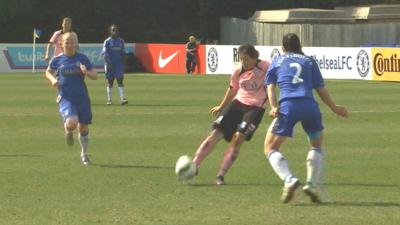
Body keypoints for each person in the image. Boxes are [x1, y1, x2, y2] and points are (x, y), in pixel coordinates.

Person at [264, 33, 348, 203]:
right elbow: (320, 89)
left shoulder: (277, 60)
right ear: (299, 45)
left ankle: (289, 180)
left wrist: (274, 107)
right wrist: (334, 107)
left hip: (289, 107)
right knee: (316, 145)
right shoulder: (309, 61)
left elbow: (270, 89)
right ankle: (311, 184)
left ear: (283, 48)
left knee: (270, 148)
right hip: (310, 107)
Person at [192, 44, 270, 185]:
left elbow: (277, 80)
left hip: (255, 108)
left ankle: (220, 175)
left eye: (246, 59)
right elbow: (233, 89)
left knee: (238, 138)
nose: (243, 62)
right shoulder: (237, 71)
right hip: (237, 104)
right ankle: (194, 164)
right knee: (215, 134)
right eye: (241, 59)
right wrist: (221, 106)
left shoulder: (265, 66)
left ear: (254, 57)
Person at [45, 32, 97, 165]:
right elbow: (48, 72)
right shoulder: (57, 59)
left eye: (72, 41)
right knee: (72, 123)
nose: (70, 44)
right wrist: (52, 80)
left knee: (83, 128)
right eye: (67, 42)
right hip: (66, 97)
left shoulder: (82, 58)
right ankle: (68, 129)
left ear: (77, 43)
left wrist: (87, 72)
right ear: (61, 44)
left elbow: (95, 75)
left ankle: (84, 154)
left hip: (82, 97)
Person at [102, 24, 128, 105]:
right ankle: (109, 100)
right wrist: (108, 63)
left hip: (119, 65)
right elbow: (104, 53)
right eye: (113, 30)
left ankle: (122, 99)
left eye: (116, 30)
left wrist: (124, 64)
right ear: (110, 31)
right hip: (110, 65)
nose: (115, 32)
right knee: (110, 82)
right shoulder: (107, 41)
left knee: (120, 80)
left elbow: (123, 53)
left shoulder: (121, 41)